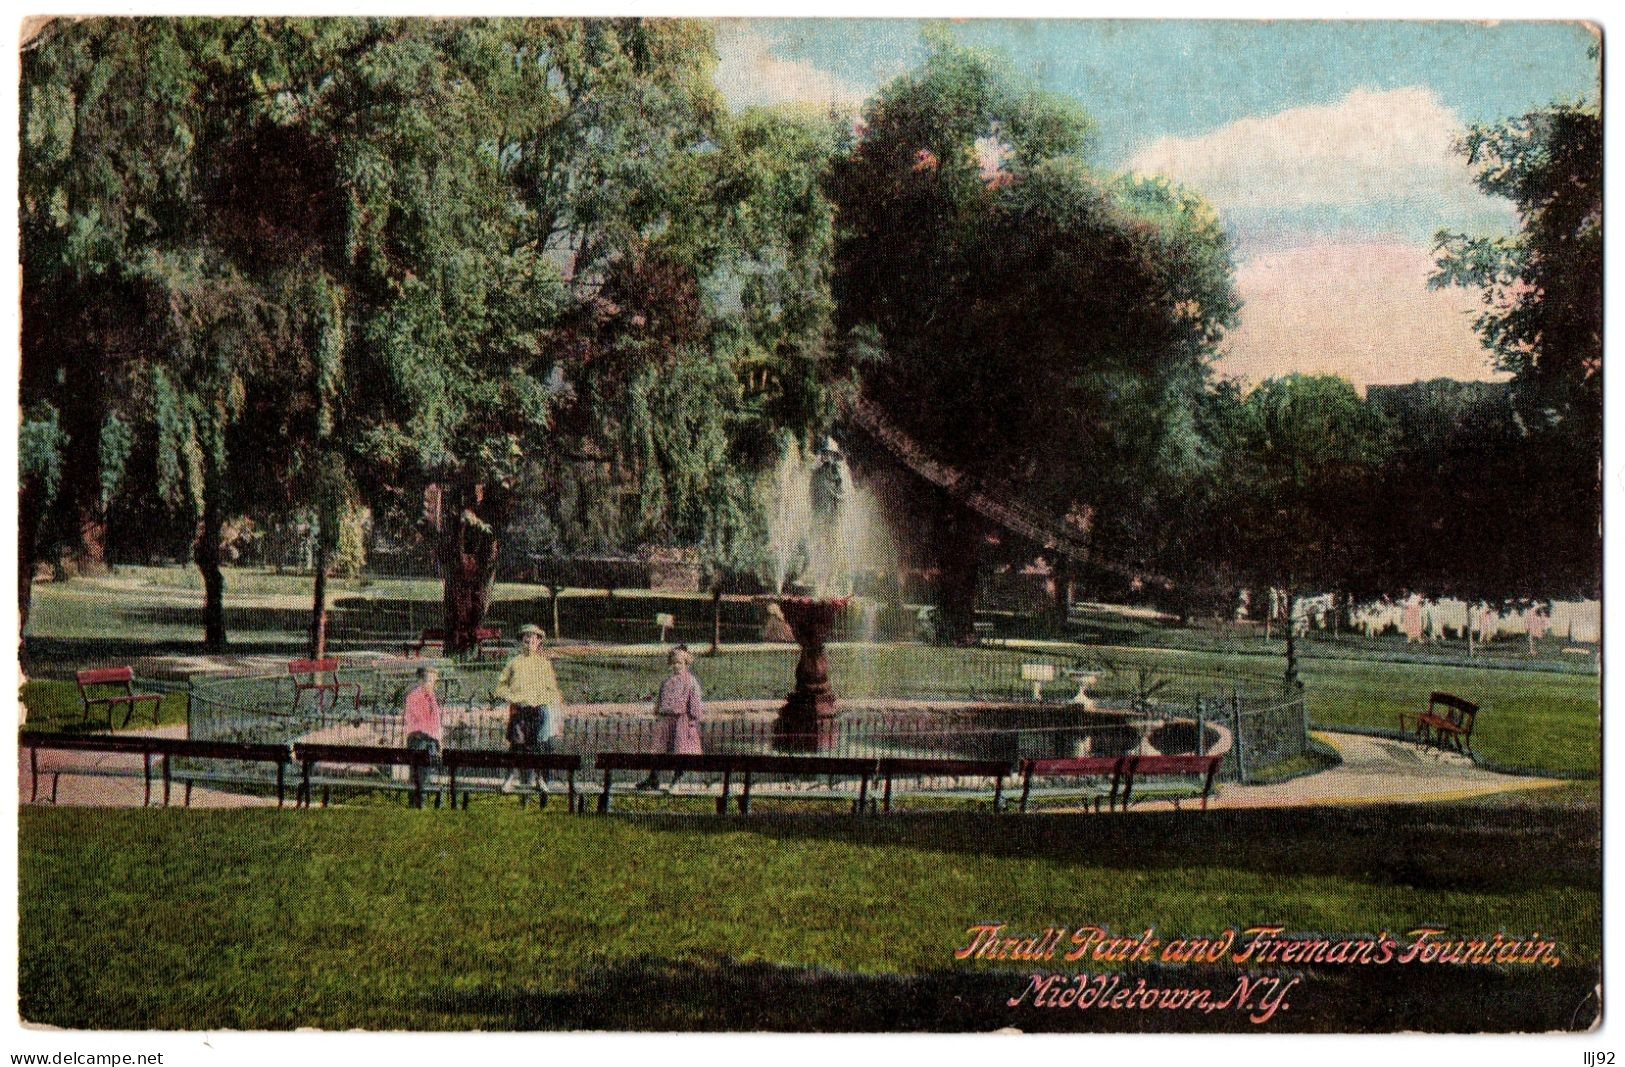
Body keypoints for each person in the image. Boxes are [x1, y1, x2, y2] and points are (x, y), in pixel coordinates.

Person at [493, 623, 564, 793]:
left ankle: (540, 779)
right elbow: (500, 687)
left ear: (539, 641)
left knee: (539, 745)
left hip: (539, 710)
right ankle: (510, 778)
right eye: (526, 636)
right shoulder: (514, 663)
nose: (529, 640)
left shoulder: (544, 664)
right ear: (521, 640)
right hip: (520, 710)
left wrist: (542, 700)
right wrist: (513, 697)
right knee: (516, 745)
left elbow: (553, 690)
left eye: (533, 637)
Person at [638, 645, 703, 792]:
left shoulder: (691, 681)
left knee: (681, 750)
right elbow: (660, 700)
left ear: (686, 663)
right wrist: (658, 711)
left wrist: (693, 718)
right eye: (673, 663)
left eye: (679, 663)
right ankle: (654, 778)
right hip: (666, 720)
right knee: (660, 750)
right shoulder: (667, 682)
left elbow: (695, 703)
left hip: (682, 721)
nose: (676, 666)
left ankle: (678, 779)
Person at [402, 665, 443, 808]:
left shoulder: (432, 698)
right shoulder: (414, 697)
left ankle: (426, 802)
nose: (433, 685)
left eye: (435, 682)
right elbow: (424, 721)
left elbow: (436, 722)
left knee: (429, 772)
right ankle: (418, 803)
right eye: (431, 681)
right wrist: (434, 736)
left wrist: (439, 740)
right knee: (419, 774)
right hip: (418, 739)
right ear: (421, 682)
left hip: (430, 741)